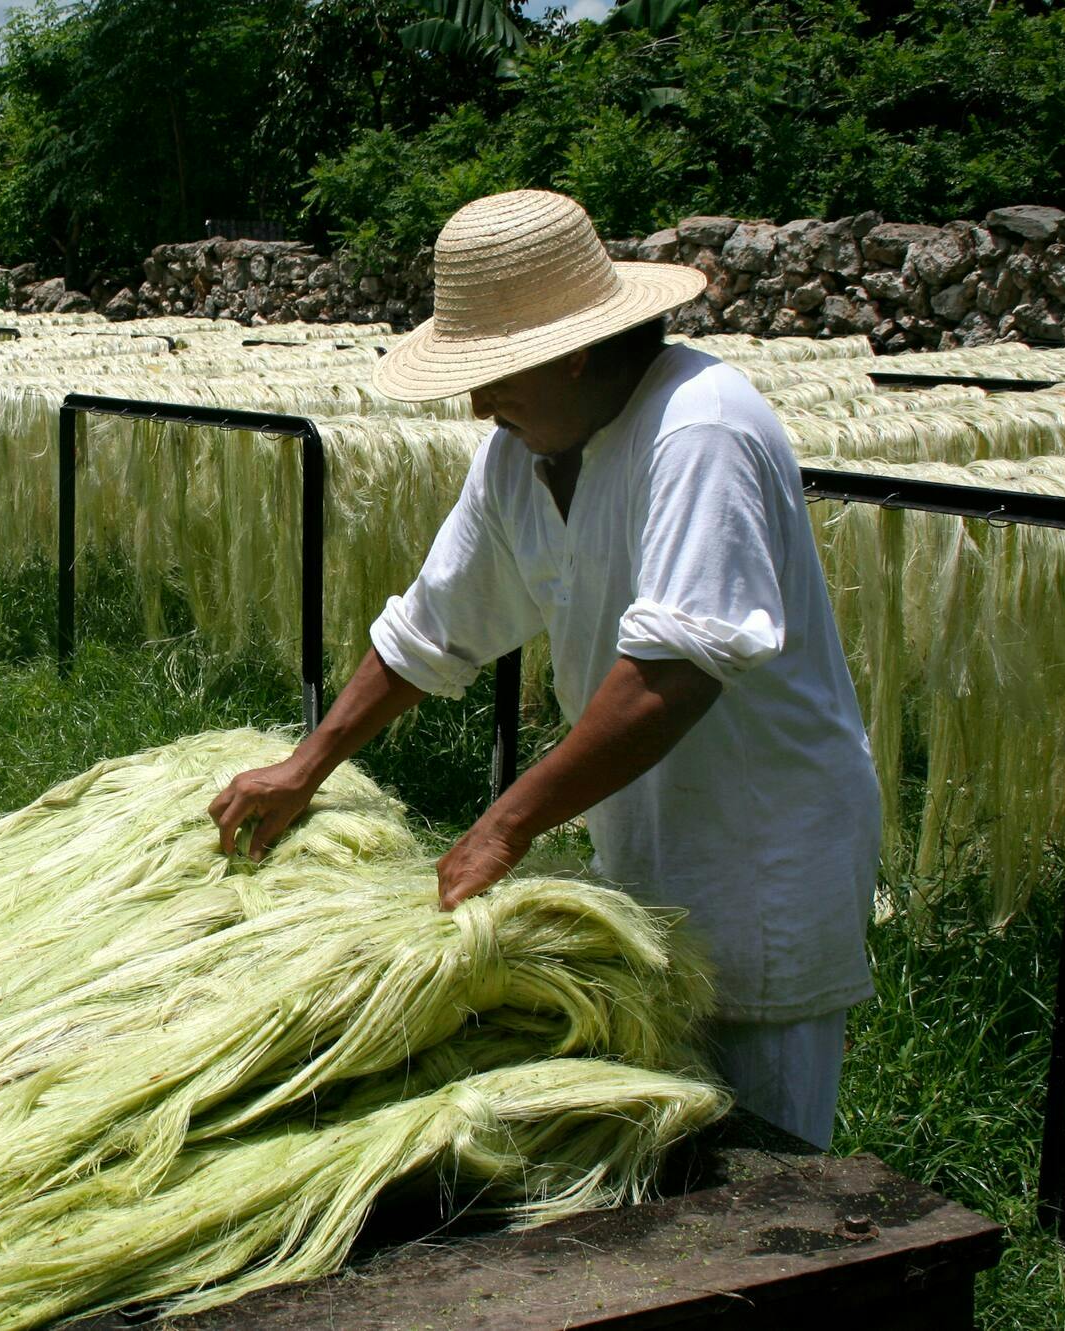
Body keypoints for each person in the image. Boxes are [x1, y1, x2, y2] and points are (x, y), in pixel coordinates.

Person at [207, 190, 879, 1150]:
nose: (480, 403)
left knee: (761, 1152)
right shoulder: (521, 453)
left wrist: (502, 827)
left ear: (570, 349)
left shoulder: (701, 428)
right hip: (639, 835)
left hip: (761, 851)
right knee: (657, 1128)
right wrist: (305, 765)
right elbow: (430, 628)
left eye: (494, 375)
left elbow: (675, 673)